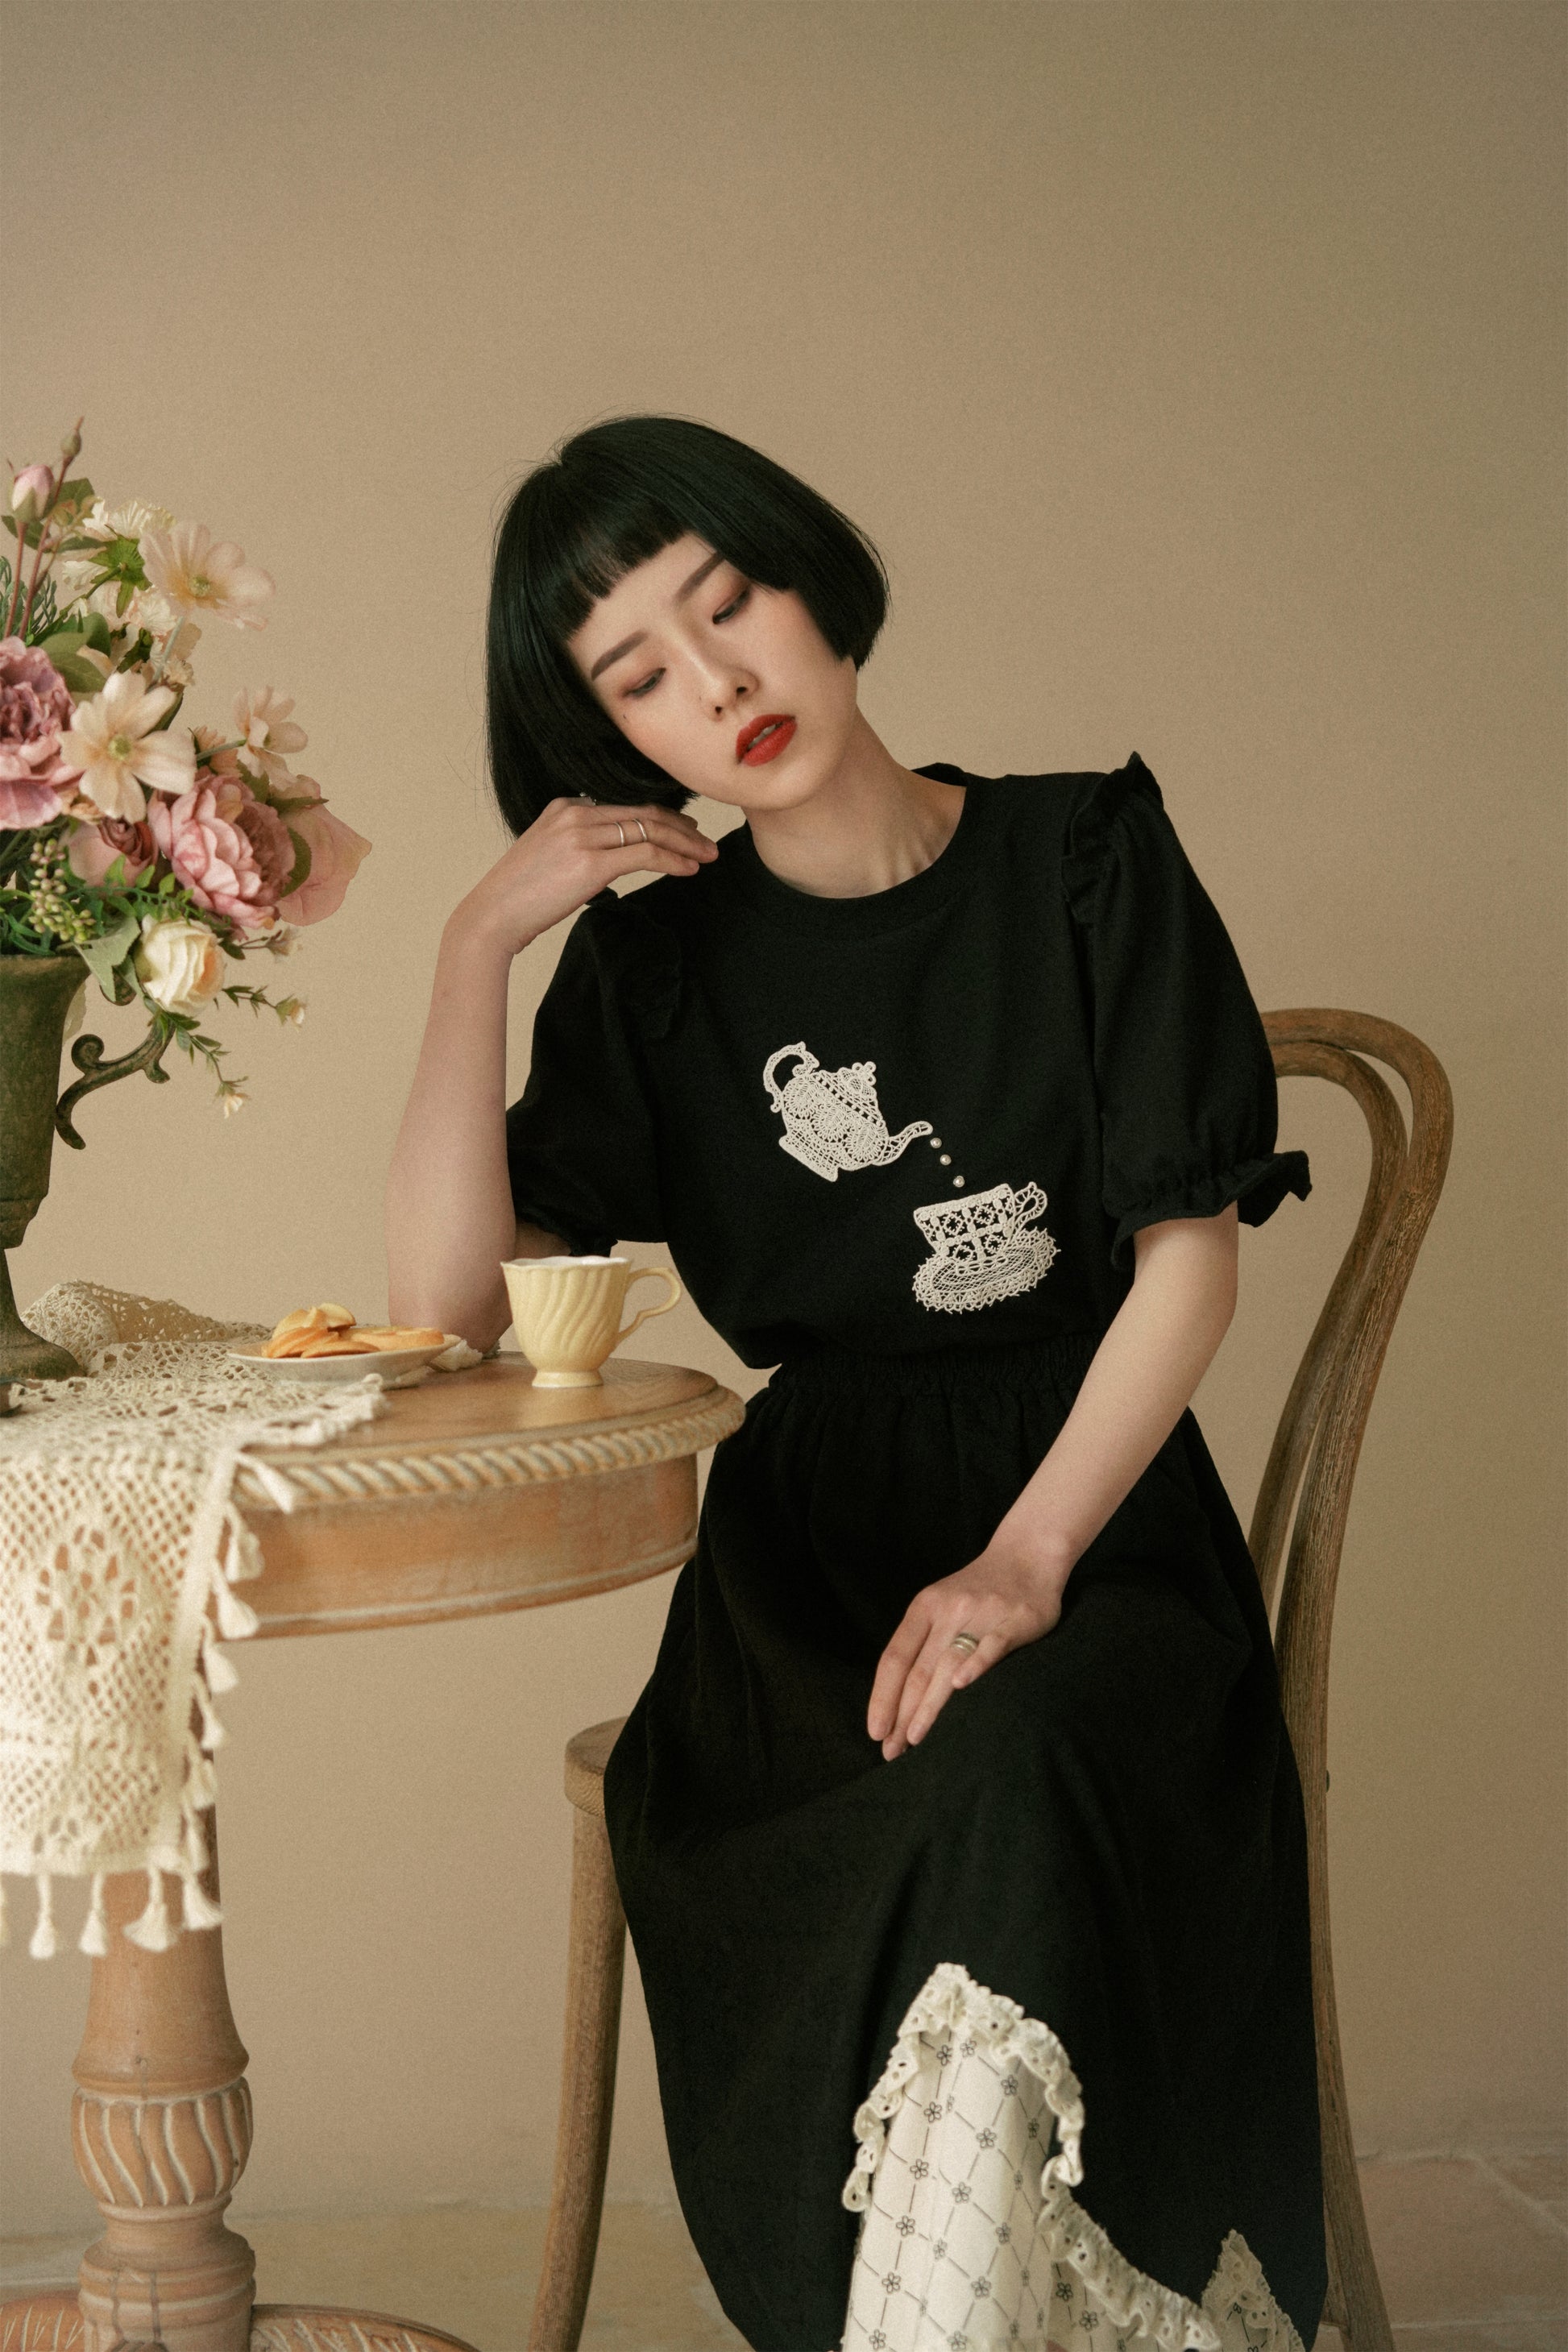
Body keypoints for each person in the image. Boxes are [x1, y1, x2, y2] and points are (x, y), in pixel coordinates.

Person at [386, 414, 1325, 2352]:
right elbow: (445, 1308)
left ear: (812, 584)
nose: (714, 679)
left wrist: (1025, 1560)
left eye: (729, 603)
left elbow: (1190, 1257)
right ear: (605, 737)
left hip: (1090, 1520)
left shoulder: (1084, 856)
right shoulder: (654, 973)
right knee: (921, 1785)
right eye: (639, 672)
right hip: (804, 1583)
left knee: (1020, 1759)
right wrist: (474, 948)